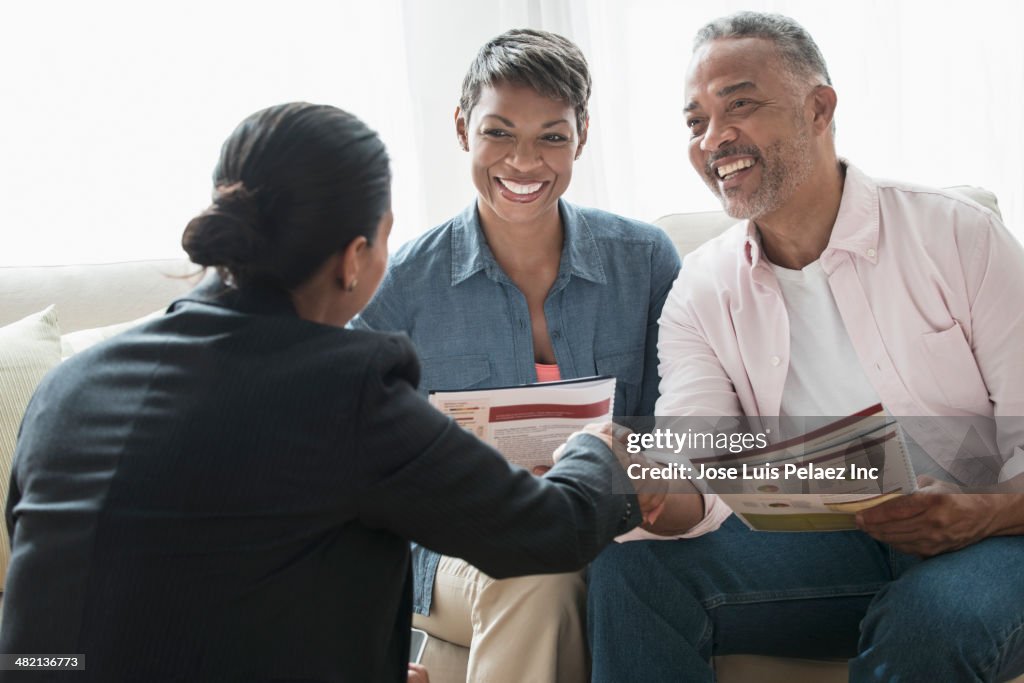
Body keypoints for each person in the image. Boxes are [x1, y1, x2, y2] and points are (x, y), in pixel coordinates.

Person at [0, 102, 656, 682]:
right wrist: (601, 449)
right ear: (353, 258)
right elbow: (550, 532)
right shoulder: (346, 388)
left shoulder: (68, 387)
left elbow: (119, 600)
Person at [586, 11, 1024, 683]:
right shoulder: (700, 289)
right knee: (630, 567)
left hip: (997, 536)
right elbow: (698, 475)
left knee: (932, 614)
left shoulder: (959, 236)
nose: (714, 138)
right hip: (828, 547)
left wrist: (979, 515)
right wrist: (646, 485)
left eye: (740, 104)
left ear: (819, 108)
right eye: (694, 120)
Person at [350, 28, 688, 683]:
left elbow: (678, 418)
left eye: (551, 136)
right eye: (499, 132)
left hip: (612, 526)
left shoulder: (645, 261)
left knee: (575, 556)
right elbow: (353, 460)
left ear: (581, 137)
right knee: (537, 557)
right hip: (454, 551)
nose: (524, 162)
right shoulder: (401, 285)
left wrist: (637, 468)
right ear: (461, 128)